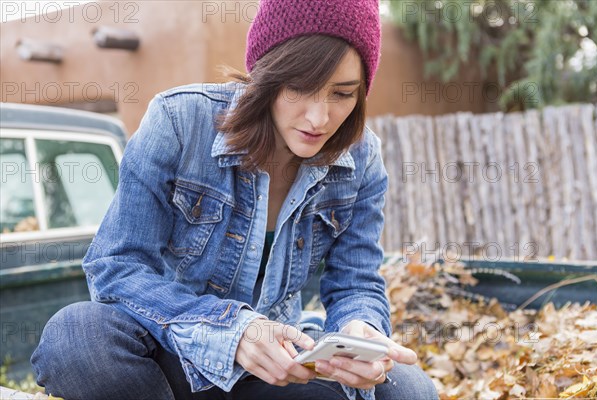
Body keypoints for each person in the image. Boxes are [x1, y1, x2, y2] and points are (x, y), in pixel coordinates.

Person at [31, 0, 438, 399]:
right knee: (76, 338)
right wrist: (232, 330)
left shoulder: (361, 159)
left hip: (278, 366)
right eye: (299, 88)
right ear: (266, 74)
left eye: (342, 94)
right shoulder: (179, 122)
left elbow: (356, 282)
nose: (319, 118)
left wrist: (359, 328)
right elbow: (116, 268)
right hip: (174, 352)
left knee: (409, 388)